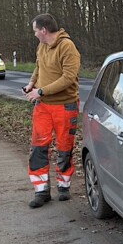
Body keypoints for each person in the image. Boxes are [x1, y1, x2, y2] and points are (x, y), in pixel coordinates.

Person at [23, 13, 81, 208]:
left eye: (35, 31)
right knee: (39, 146)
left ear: (44, 30)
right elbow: (39, 67)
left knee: (65, 146)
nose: (34, 34)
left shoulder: (67, 47)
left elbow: (68, 78)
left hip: (65, 105)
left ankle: (63, 186)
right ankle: (41, 190)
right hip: (43, 106)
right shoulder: (42, 46)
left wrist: (41, 91)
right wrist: (32, 84)